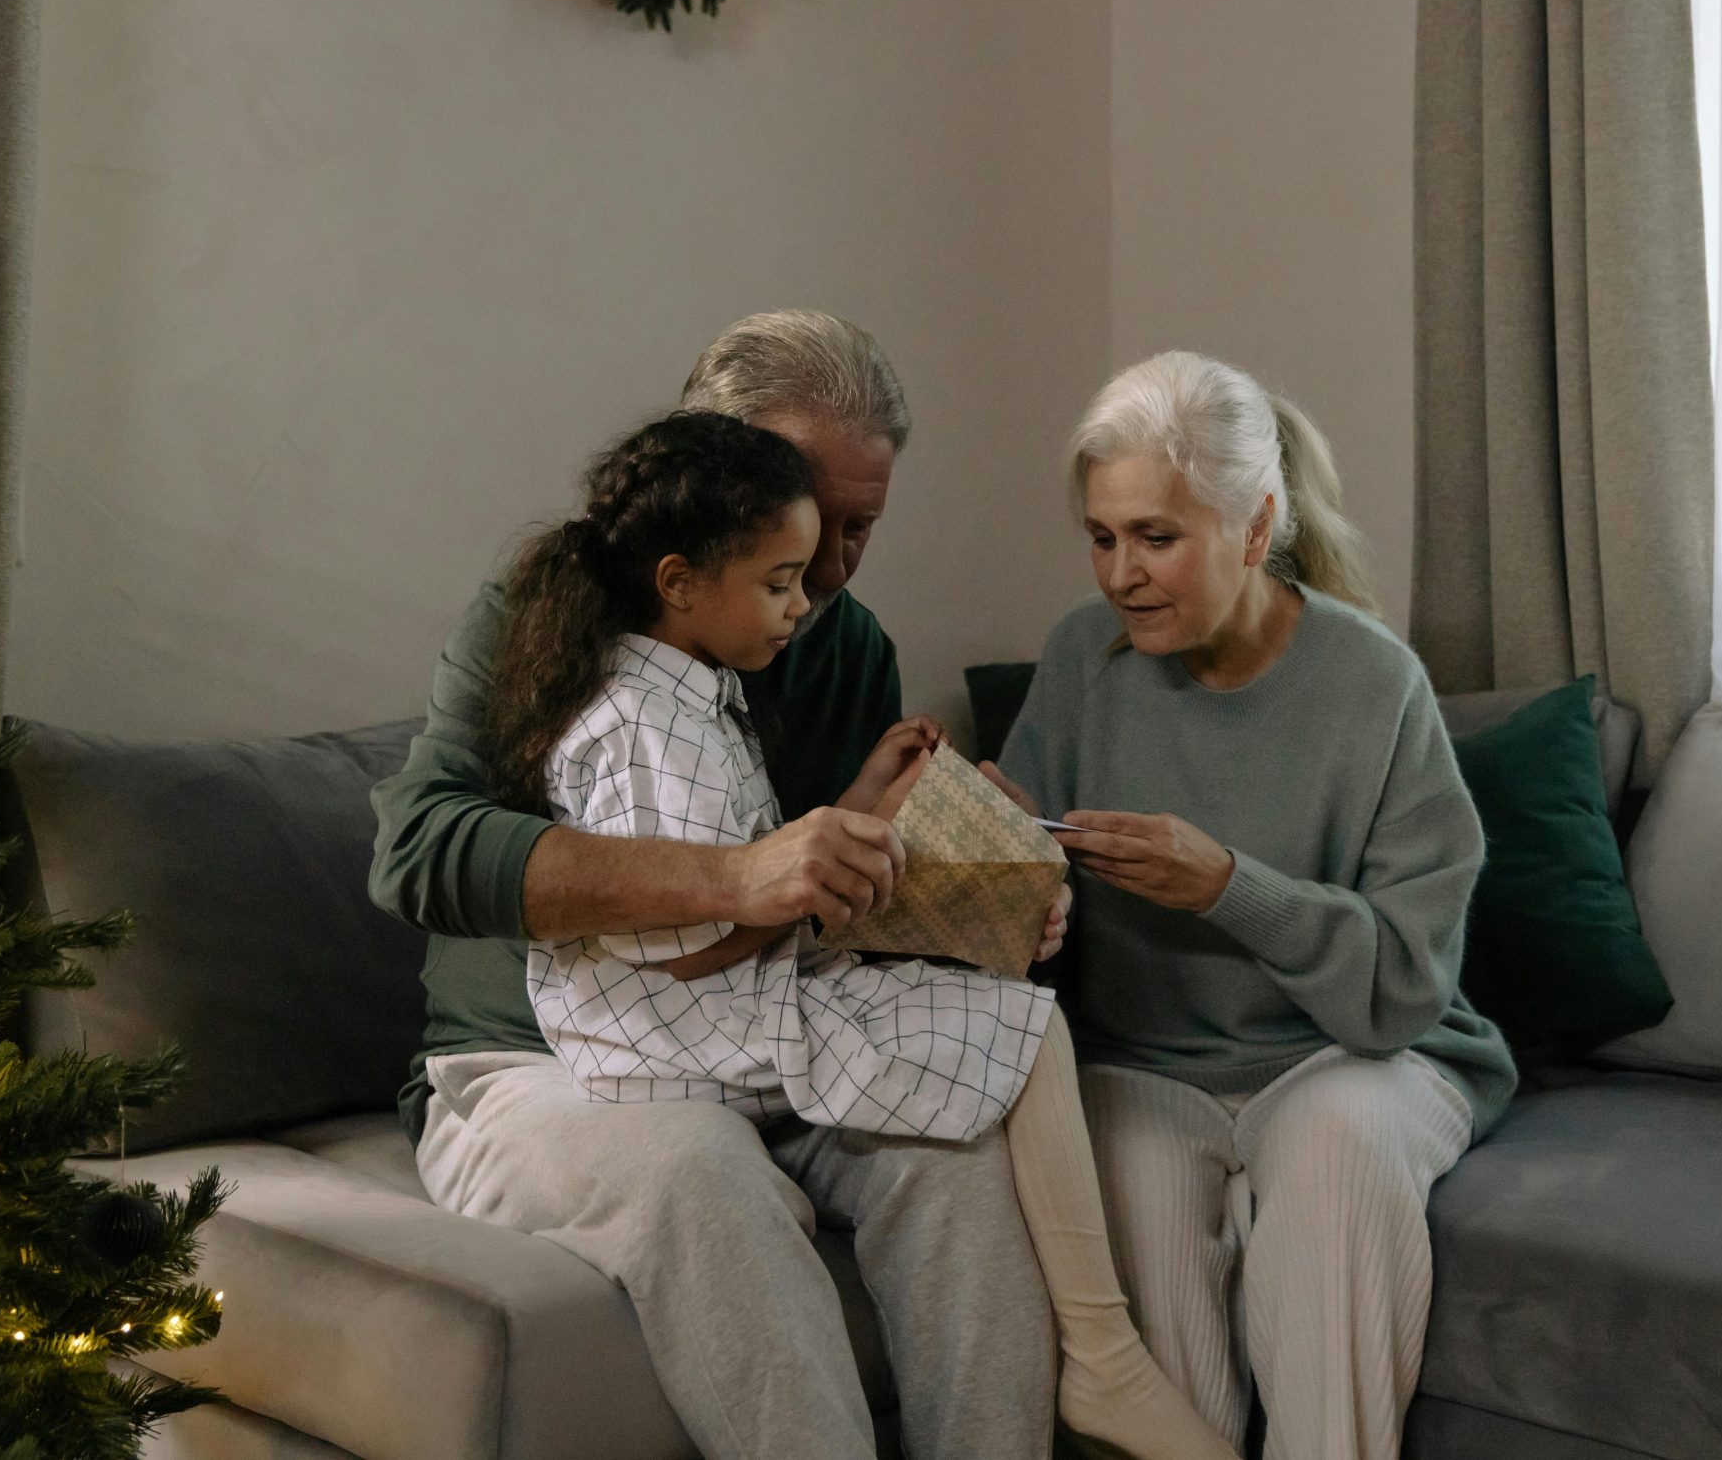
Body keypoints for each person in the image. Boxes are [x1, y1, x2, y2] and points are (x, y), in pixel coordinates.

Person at [370, 313, 1051, 1460]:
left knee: (961, 1155)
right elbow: (421, 853)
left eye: (860, 529)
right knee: (697, 1171)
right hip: (541, 1067)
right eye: (806, 526)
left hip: (766, 1044)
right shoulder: (539, 614)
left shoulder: (842, 647)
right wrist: (738, 874)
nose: (830, 568)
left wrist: (987, 883)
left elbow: (844, 909)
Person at [496, 409, 1238, 1460]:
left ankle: (1097, 1359)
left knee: (1002, 1036)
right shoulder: (642, 729)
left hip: (711, 1004)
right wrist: (832, 886)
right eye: (779, 581)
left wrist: (861, 802)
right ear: (676, 582)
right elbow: (677, 941)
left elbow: (741, 864)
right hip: (680, 1032)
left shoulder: (684, 698)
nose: (805, 604)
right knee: (1020, 1028)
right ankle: (1104, 1355)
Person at [987, 351, 1519, 1460]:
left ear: (1255, 520)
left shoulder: (1374, 684)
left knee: (1335, 1152)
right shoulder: (1081, 659)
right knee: (1130, 1224)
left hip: (1352, 1058)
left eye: (1156, 538)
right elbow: (1029, 911)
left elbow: (1404, 985)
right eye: (1102, 536)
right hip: (1140, 1065)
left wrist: (1230, 887)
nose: (1121, 574)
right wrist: (985, 842)